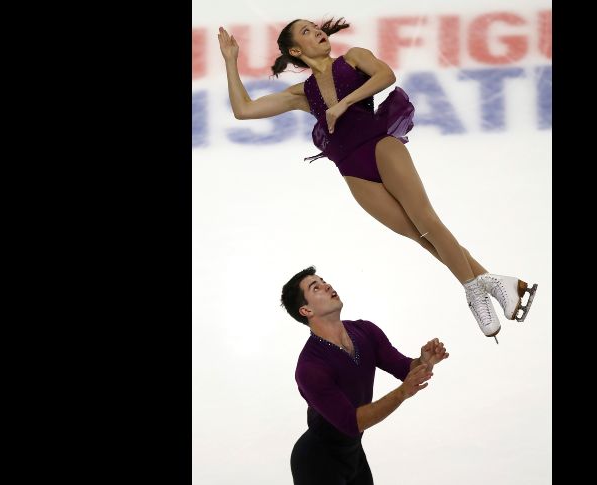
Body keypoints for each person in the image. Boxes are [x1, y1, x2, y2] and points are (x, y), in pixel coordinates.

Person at [219, 18, 537, 340]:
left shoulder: (352, 58)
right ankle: (497, 283)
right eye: (306, 32)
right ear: (295, 50)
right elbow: (244, 110)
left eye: (316, 28)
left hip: (381, 146)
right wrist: (231, 61)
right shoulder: (303, 92)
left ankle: (474, 293)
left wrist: (344, 103)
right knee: (418, 234)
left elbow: (386, 75)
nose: (317, 32)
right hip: (353, 170)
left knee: (427, 220)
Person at [281, 266, 449, 485]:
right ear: (306, 311)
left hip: (353, 457)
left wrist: (424, 362)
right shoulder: (310, 367)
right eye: (316, 287)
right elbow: (352, 423)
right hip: (317, 465)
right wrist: (402, 393)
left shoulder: (366, 331)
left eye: (323, 280)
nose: (327, 285)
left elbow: (402, 368)